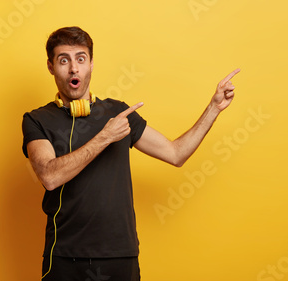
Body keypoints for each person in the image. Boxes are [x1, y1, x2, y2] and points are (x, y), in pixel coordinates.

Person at [22, 26, 240, 281]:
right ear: (51, 66)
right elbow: (49, 176)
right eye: (64, 60)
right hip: (64, 257)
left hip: (120, 256)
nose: (73, 68)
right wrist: (105, 137)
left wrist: (213, 108)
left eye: (80, 59)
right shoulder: (36, 120)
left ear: (91, 64)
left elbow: (176, 153)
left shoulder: (119, 113)